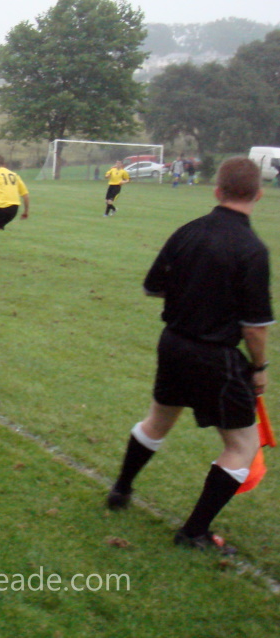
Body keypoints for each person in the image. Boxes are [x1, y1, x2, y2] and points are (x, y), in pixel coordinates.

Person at [106, 158, 272, 554]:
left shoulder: (188, 231)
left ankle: (121, 490)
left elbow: (153, 286)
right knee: (243, 446)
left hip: (173, 344)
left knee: (158, 421)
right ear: (259, 194)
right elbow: (254, 327)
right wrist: (260, 368)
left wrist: (193, 293)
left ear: (217, 190)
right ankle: (194, 532)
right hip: (215, 356)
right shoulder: (252, 249)